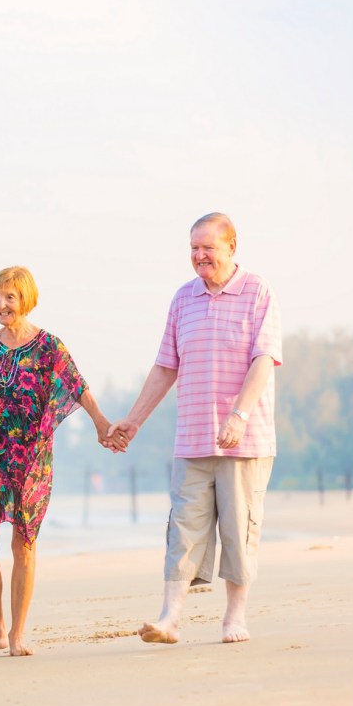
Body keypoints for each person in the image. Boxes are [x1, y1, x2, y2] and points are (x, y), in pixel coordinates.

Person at [107, 213, 281, 645]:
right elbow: (166, 366)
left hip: (245, 440)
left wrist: (238, 415)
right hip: (192, 437)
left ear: (231, 246)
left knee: (238, 532)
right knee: (182, 529)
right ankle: (170, 619)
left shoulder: (257, 291)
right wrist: (134, 419)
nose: (200, 256)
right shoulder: (183, 298)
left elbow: (264, 360)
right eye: (193, 249)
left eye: (208, 247)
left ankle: (234, 618)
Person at [0, 266, 114, 657]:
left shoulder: (48, 346)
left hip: (29, 457)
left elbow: (78, 386)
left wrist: (101, 423)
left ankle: (17, 635)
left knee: (22, 544)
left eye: (9, 297)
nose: (1, 305)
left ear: (25, 299)